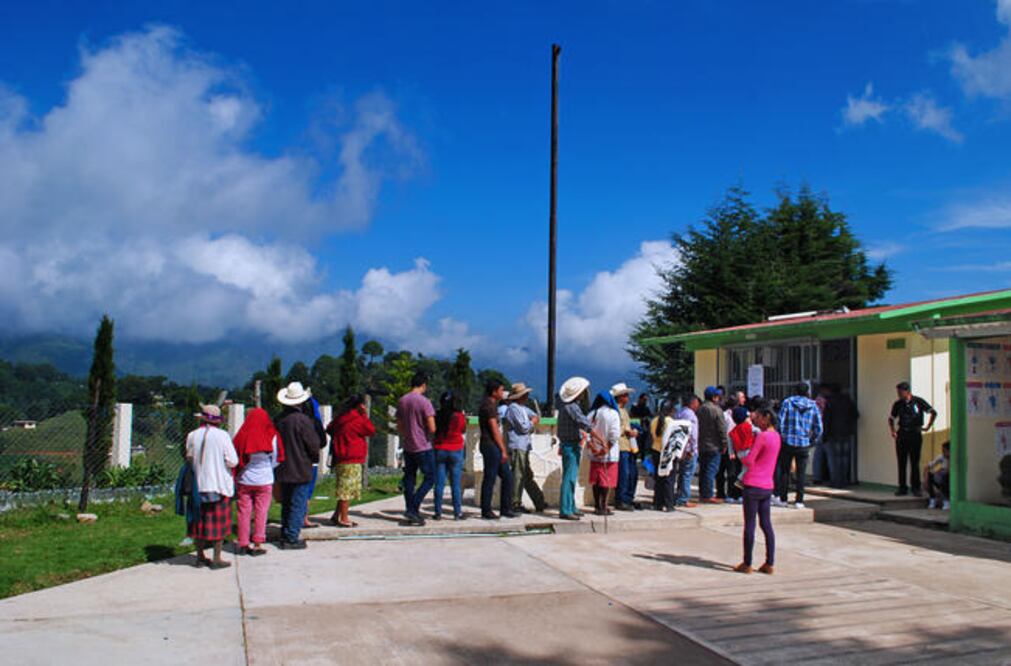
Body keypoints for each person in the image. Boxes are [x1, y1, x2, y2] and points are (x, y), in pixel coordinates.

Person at [185, 404, 238, 568]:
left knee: (198, 523)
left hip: (198, 485)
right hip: (218, 485)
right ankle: (216, 558)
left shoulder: (192, 435)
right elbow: (233, 461)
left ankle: (200, 556)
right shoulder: (222, 436)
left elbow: (189, 457)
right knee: (218, 524)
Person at [274, 382, 323, 549]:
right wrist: (314, 458)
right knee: (298, 503)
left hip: (282, 467)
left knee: (287, 503)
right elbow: (313, 444)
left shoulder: (279, 420)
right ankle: (291, 537)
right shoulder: (303, 421)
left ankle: (285, 532)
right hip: (300, 467)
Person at [735, 404, 781, 575]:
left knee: (750, 524)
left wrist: (741, 454)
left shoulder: (762, 436)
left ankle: (747, 563)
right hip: (767, 485)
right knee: (766, 524)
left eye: (759, 417)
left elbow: (750, 460)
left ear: (766, 418)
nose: (756, 420)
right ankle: (770, 563)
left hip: (753, 483)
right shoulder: (777, 436)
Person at [233, 407, 283, 556]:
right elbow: (277, 458)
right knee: (261, 511)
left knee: (244, 512)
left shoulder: (242, 435)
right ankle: (258, 542)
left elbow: (236, 455)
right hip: (265, 478)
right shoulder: (272, 435)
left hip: (245, 478)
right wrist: (267, 467)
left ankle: (243, 542)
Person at [326, 394, 375, 528]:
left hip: (340, 457)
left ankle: (336, 516)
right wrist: (364, 414)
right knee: (346, 490)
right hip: (353, 457)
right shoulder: (357, 419)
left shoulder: (340, 418)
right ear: (359, 405)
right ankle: (344, 518)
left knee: (343, 487)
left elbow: (329, 429)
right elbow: (370, 430)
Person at [396, 371, 437, 525]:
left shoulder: (402, 400)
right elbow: (432, 427)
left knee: (409, 478)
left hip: (408, 445)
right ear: (424, 385)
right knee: (430, 477)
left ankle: (409, 508)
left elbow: (399, 425)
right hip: (423, 445)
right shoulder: (425, 402)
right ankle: (413, 507)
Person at [776, 383, 823, 509]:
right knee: (801, 473)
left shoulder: (788, 402)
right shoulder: (813, 405)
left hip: (788, 441)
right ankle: (799, 501)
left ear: (795, 391)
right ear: (807, 392)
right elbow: (819, 427)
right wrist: (812, 440)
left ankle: (783, 499)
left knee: (785, 471)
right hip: (803, 443)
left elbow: (780, 421)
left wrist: (782, 436)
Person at [889, 381, 937, 497]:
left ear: (907, 391)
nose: (899, 394)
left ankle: (916, 487)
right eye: (898, 392)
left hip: (915, 433)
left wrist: (928, 426)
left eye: (900, 392)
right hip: (902, 434)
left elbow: (933, 412)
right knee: (902, 462)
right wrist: (893, 431)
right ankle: (902, 487)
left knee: (914, 462)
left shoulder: (918, 401)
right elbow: (891, 418)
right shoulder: (898, 404)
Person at [505, 382, 546, 513]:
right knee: (519, 475)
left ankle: (539, 501)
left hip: (523, 445)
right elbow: (523, 428)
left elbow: (534, 415)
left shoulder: (522, 408)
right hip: (517, 445)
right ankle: (515, 503)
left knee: (526, 475)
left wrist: (532, 420)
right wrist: (532, 423)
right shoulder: (513, 408)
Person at [557, 376, 593, 520]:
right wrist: (598, 436)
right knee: (569, 478)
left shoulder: (565, 406)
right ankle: (566, 509)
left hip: (569, 444)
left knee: (571, 477)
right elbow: (585, 423)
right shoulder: (572, 407)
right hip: (571, 445)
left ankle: (571, 506)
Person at [479, 379, 516, 519]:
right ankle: (486, 509)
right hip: (490, 444)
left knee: (507, 476)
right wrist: (503, 449)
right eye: (501, 390)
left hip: (490, 444)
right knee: (490, 477)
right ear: (494, 392)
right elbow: (494, 430)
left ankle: (506, 508)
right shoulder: (489, 406)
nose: (503, 392)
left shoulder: (490, 404)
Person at [433, 390, 468, 521]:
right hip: (456, 449)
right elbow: (463, 429)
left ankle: (438, 512)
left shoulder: (437, 415)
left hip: (440, 449)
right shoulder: (458, 415)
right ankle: (457, 513)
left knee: (439, 483)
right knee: (455, 484)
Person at [588, 390, 621, 516]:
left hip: (594, 453)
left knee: (596, 481)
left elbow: (585, 432)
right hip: (609, 454)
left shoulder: (592, 414)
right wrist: (606, 449)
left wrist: (593, 448)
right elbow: (614, 434)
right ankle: (604, 506)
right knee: (607, 481)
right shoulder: (613, 414)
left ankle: (597, 505)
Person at [822, 384, 859, 487]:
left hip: (834, 433)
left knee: (836, 458)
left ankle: (837, 481)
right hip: (847, 432)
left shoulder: (830, 402)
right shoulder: (848, 401)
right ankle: (845, 480)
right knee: (845, 457)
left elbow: (826, 419)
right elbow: (856, 415)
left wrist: (825, 434)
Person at [612, 383, 641, 511]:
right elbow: (617, 429)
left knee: (632, 473)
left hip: (628, 445)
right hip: (621, 445)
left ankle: (628, 498)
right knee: (624, 473)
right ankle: (621, 499)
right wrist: (628, 431)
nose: (627, 397)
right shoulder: (616, 411)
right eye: (625, 395)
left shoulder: (624, 411)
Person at [301, 397, 328, 530]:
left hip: (293, 461)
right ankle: (304, 518)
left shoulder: (288, 420)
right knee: (307, 491)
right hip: (311, 461)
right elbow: (323, 441)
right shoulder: (315, 422)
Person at [697, 386, 727, 504]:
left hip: (701, 444)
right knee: (711, 470)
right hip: (714, 445)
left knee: (703, 470)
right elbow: (721, 428)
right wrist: (724, 443)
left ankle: (703, 493)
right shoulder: (716, 410)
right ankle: (708, 495)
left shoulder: (699, 409)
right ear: (714, 397)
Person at [650, 400, 678, 511]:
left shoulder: (654, 420)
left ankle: (658, 503)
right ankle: (669, 503)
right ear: (671, 410)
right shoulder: (670, 421)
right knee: (669, 478)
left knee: (659, 478)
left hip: (656, 450)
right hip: (667, 452)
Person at [675, 394, 700, 508]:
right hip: (688, 449)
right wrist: (692, 448)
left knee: (682, 473)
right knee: (687, 473)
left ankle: (679, 495)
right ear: (692, 403)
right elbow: (692, 434)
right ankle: (683, 498)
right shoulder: (691, 415)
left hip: (680, 448)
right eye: (697, 402)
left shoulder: (679, 413)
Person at [729, 405, 754, 492]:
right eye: (748, 417)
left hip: (739, 453)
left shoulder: (734, 429)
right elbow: (757, 431)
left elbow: (730, 440)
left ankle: (744, 483)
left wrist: (731, 452)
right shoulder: (747, 426)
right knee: (750, 468)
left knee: (745, 467)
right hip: (748, 451)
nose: (750, 419)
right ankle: (740, 480)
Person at [924, 441, 950, 510]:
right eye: (943, 451)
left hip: (949, 480)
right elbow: (927, 467)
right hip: (941, 477)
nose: (943, 453)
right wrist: (926, 479)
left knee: (945, 476)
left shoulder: (953, 458)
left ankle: (946, 501)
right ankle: (932, 499)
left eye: (945, 451)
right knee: (930, 476)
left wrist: (948, 459)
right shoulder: (941, 457)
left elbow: (949, 471)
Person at [630, 393, 653, 462]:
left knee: (643, 444)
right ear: (640, 399)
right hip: (636, 428)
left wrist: (646, 419)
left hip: (644, 428)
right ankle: (635, 457)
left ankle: (643, 458)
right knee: (636, 444)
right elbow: (631, 417)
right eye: (644, 399)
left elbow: (650, 416)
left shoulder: (646, 408)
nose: (645, 401)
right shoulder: (634, 407)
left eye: (646, 400)